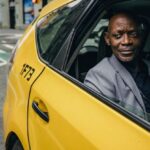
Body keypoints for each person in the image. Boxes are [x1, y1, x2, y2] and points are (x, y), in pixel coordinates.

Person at [84, 12, 150, 120]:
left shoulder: (146, 65)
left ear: (140, 36)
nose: (126, 41)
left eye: (133, 34)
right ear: (107, 39)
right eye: (117, 36)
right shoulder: (98, 75)